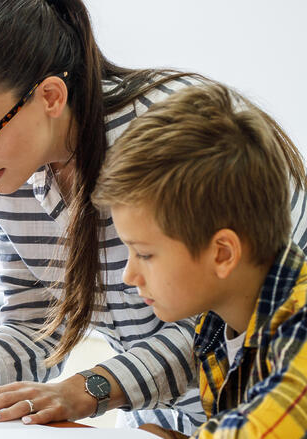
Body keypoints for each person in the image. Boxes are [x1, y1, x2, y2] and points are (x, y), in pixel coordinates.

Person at [0, 0, 307, 433]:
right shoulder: (1, 166)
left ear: (51, 97)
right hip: (170, 417)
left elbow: (222, 318)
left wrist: (85, 390)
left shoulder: (169, 142)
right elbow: (35, 329)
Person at [92, 83, 307, 438]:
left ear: (222, 253)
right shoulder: (214, 328)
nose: (129, 275)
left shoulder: (299, 326)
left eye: (144, 254)